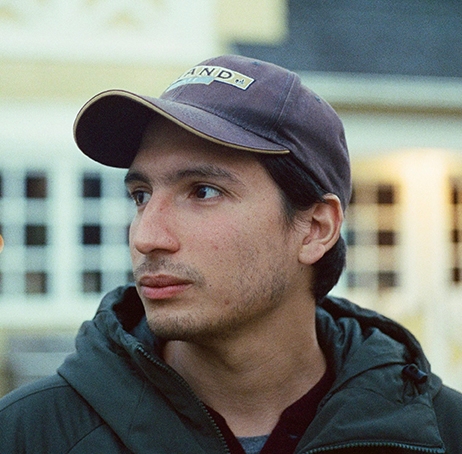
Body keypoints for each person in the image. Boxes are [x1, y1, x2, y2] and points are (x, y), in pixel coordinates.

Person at [0, 55, 461, 454]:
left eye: (203, 191)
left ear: (316, 229)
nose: (146, 237)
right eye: (141, 195)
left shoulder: (441, 433)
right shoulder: (28, 433)